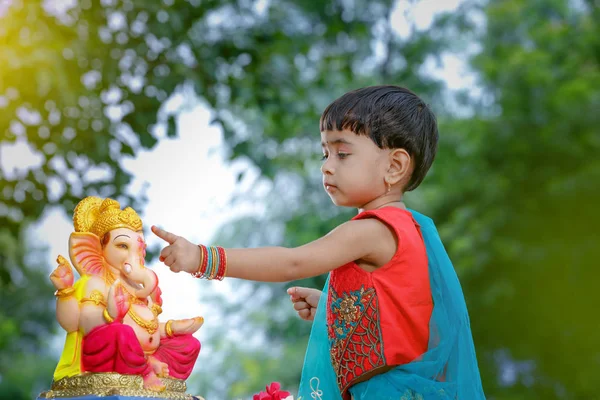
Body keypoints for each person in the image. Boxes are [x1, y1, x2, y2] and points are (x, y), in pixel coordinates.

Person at [152, 85, 485, 399]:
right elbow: (403, 317)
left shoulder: (371, 229)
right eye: (325, 153)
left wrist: (202, 258)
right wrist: (333, 309)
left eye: (342, 153)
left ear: (394, 166)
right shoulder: (409, 230)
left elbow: (292, 263)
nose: (326, 167)